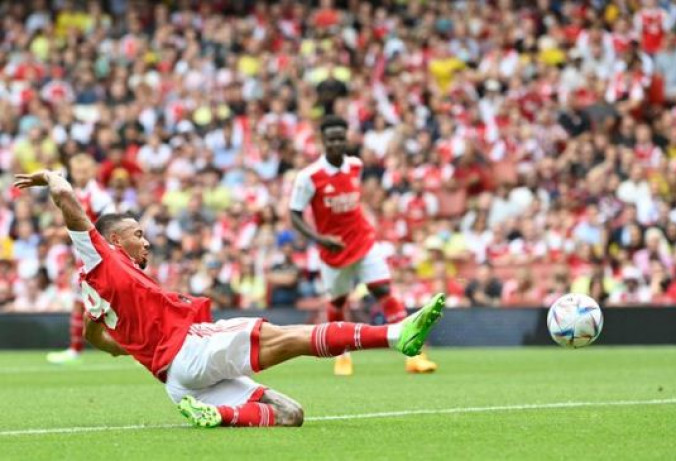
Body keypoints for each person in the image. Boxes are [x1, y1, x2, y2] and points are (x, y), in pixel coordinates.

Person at [13, 170, 445, 429]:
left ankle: (217, 414)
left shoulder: (91, 286)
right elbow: (67, 199)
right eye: (138, 234)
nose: (146, 242)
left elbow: (96, 336)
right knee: (291, 336)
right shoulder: (101, 257)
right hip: (191, 350)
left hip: (177, 384)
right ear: (113, 240)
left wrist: (131, 345)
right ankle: (395, 334)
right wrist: (50, 176)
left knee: (290, 413)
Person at [290, 115, 438, 375]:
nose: (336, 143)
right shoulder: (309, 177)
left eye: (340, 138)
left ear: (346, 139)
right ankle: (342, 357)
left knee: (384, 291)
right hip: (333, 250)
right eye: (331, 139)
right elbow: (295, 214)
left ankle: (414, 356)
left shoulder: (355, 166)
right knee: (338, 302)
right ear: (323, 141)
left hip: (363, 241)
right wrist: (321, 239)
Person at [47, 153, 115, 365]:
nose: (81, 175)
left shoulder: (98, 195)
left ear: (92, 171)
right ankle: (75, 349)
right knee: (80, 302)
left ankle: (76, 350)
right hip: (85, 256)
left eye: (84, 171)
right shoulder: (79, 194)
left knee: (114, 304)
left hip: (97, 257)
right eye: (77, 171)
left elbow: (110, 223)